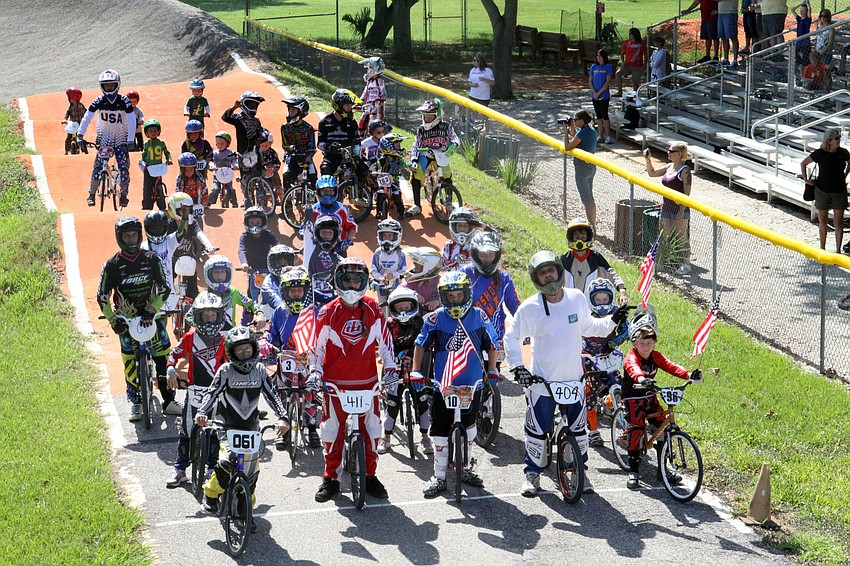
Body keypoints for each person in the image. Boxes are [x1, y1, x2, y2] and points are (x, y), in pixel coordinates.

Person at [504, 250, 628, 497]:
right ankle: (532, 474)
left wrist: (614, 320)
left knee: (579, 432)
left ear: (559, 272)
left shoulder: (576, 298)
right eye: (542, 273)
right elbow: (511, 337)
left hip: (574, 379)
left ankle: (580, 472)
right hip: (542, 382)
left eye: (551, 270)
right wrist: (518, 368)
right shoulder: (530, 308)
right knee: (537, 431)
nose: (548, 276)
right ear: (536, 278)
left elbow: (592, 328)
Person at [311, 258, 397, 503]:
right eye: (346, 279)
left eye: (356, 280)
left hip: (367, 382)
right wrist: (315, 373)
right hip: (334, 384)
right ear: (337, 281)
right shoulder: (328, 312)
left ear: (364, 282)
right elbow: (316, 350)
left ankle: (370, 476)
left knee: (372, 429)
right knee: (331, 431)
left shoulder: (373, 309)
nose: (351, 284)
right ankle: (330, 479)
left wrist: (390, 369)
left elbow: (386, 348)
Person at [411, 271, 498, 497]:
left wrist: (493, 368)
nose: (456, 300)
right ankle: (439, 476)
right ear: (443, 297)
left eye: (460, 295)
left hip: (472, 384)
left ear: (467, 294)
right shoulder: (435, 318)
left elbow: (492, 344)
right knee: (440, 428)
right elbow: (420, 345)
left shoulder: (479, 316)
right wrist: (415, 371)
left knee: (470, 428)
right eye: (451, 296)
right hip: (444, 384)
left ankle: (466, 467)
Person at [196, 326, 289, 515]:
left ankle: (245, 506)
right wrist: (202, 412)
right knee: (227, 463)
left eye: (248, 349)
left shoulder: (260, 370)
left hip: (251, 427)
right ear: (232, 352)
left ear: (254, 349)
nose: (244, 354)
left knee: (251, 471)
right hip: (226, 425)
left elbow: (272, 395)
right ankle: (211, 494)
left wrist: (283, 417)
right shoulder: (225, 371)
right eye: (240, 351)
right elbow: (211, 393)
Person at [97, 216, 176, 422]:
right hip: (127, 320)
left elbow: (165, 288)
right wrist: (113, 319)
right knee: (130, 362)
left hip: (153, 316)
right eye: (126, 235)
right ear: (119, 237)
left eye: (134, 235)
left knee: (162, 357)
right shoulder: (112, 265)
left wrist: (153, 309)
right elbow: (102, 296)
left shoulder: (151, 259)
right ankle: (135, 402)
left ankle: (169, 401)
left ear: (139, 235)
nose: (131, 239)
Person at [619, 306, 703, 489]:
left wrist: (689, 375)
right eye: (642, 343)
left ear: (654, 343)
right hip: (633, 398)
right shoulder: (631, 357)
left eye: (650, 343)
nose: (646, 347)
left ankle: (662, 470)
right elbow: (633, 368)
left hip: (650, 396)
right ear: (634, 342)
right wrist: (642, 378)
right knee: (636, 430)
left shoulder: (655, 356)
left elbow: (671, 366)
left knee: (663, 427)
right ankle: (633, 471)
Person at [164, 291, 226, 488]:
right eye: (205, 315)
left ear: (219, 316)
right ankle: (180, 468)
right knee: (186, 430)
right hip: (195, 390)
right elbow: (172, 356)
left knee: (216, 430)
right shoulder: (190, 337)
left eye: (213, 315)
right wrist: (171, 370)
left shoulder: (225, 339)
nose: (209, 319)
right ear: (197, 317)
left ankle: (211, 467)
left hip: (217, 392)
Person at [266, 267, 322, 448]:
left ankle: (312, 429)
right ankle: (284, 431)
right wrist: (267, 345)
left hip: (308, 359)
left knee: (311, 394)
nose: (297, 295)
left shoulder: (313, 311)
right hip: (286, 359)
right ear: (285, 293)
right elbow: (271, 335)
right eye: (292, 291)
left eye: (300, 291)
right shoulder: (279, 312)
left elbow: (322, 334)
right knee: (283, 394)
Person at [378, 286, 434, 455]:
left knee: (423, 400)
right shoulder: (388, 325)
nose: (403, 311)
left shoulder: (419, 322)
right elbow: (382, 345)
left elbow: (426, 343)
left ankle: (425, 437)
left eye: (406, 307)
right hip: (394, 367)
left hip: (416, 366)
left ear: (413, 306)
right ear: (393, 308)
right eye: (399, 308)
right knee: (392, 402)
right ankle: (386, 437)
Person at [460, 230, 520, 366]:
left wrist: (525, 328)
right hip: (468, 332)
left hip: (495, 336)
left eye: (491, 255)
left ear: (497, 255)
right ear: (475, 254)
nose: (487, 259)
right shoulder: (465, 273)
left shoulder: (504, 278)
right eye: (482, 255)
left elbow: (515, 307)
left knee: (492, 374)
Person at [78, 69, 136, 208]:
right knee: (98, 166)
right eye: (106, 86)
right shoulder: (99, 101)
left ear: (117, 85)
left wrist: (130, 139)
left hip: (121, 139)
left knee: (123, 168)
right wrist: (80, 135)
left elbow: (132, 119)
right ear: (102, 87)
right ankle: (91, 194)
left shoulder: (124, 101)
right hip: (104, 139)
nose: (109, 88)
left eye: (111, 85)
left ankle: (123, 195)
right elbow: (87, 117)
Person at [582, 278, 630, 447]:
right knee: (589, 393)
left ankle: (624, 424)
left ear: (611, 298)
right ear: (591, 299)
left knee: (621, 387)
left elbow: (627, 330)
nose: (602, 303)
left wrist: (614, 342)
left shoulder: (617, 312)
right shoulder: (585, 313)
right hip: (588, 358)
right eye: (598, 299)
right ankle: (593, 431)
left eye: (605, 299)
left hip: (609, 356)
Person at [643, 142, 694, 276]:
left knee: (681, 237)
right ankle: (663, 260)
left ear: (679, 154)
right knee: (664, 235)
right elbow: (652, 173)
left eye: (671, 151)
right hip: (666, 207)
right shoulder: (669, 166)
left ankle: (686, 263)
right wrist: (648, 160)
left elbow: (686, 194)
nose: (668, 153)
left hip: (679, 210)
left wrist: (682, 210)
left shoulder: (685, 171)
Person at [407, 99, 461, 217]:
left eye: (430, 117)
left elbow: (455, 138)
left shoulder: (446, 126)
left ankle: (449, 202)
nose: (427, 118)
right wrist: (414, 160)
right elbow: (416, 145)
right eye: (425, 116)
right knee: (416, 175)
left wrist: (453, 146)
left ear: (437, 116)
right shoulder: (421, 129)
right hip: (425, 154)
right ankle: (417, 205)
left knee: (447, 175)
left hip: (441, 154)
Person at [560, 218, 630, 303]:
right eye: (576, 237)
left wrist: (622, 290)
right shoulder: (565, 259)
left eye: (583, 237)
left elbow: (611, 274)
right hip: (570, 306)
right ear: (571, 237)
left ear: (588, 237)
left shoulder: (596, 258)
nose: (580, 240)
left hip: (591, 308)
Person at [801, 128, 848, 252]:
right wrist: (806, 180)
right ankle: (822, 248)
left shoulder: (843, 152)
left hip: (839, 190)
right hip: (822, 191)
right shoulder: (820, 153)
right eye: (836, 138)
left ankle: (838, 250)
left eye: (839, 138)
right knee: (823, 221)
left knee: (838, 222)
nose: (838, 140)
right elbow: (803, 163)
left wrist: (845, 175)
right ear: (829, 140)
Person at [167, 192, 214, 300]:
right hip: (172, 259)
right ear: (174, 210)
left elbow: (199, 234)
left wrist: (208, 245)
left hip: (188, 258)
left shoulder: (192, 223)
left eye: (188, 210)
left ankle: (192, 309)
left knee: (192, 289)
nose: (186, 213)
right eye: (183, 210)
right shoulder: (169, 225)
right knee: (166, 284)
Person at [222, 90, 265, 207]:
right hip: (243, 153)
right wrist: (234, 107)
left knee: (260, 175)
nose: (253, 107)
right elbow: (225, 117)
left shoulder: (256, 121)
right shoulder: (238, 118)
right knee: (245, 177)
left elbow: (261, 132)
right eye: (251, 104)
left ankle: (263, 198)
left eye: (255, 105)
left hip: (256, 152)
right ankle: (247, 197)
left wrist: (261, 138)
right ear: (244, 104)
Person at [318, 89, 368, 188]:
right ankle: (328, 195)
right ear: (338, 106)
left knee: (363, 170)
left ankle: (360, 193)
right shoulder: (324, 122)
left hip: (349, 155)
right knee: (325, 168)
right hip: (332, 155)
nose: (350, 108)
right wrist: (329, 146)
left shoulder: (352, 122)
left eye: (351, 105)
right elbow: (319, 144)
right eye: (347, 105)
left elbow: (357, 141)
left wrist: (357, 156)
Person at [196, 254, 259, 331]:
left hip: (230, 337)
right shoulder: (203, 296)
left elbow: (250, 303)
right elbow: (189, 316)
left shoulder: (233, 292)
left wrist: (260, 313)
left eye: (222, 272)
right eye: (215, 272)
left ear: (228, 273)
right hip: (208, 337)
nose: (219, 275)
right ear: (208, 274)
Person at [303, 175, 357, 257]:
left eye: (331, 191)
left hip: (338, 249)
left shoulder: (343, 209)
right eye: (324, 191)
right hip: (318, 250)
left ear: (336, 191)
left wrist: (348, 240)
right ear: (318, 191)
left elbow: (352, 227)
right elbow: (304, 229)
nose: (328, 195)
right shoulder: (313, 210)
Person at [564, 110, 599, 227]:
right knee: (590, 197)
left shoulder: (582, 133)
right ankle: (593, 223)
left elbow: (568, 147)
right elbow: (577, 139)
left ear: (582, 121)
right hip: (591, 167)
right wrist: (572, 129)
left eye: (575, 120)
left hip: (582, 169)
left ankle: (592, 226)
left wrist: (565, 132)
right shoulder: (591, 130)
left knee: (587, 199)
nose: (573, 122)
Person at [237, 207, 279, 303]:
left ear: (263, 222)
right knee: (251, 296)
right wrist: (244, 263)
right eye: (252, 223)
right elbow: (241, 250)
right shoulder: (244, 237)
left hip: (269, 268)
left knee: (275, 290)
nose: (255, 225)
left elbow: (277, 245)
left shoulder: (268, 234)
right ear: (247, 223)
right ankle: (250, 314)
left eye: (258, 223)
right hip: (253, 270)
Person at [304, 215, 343, 308]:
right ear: (317, 233)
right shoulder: (311, 247)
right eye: (324, 232)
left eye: (330, 233)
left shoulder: (338, 259)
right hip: (308, 294)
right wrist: (308, 208)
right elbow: (308, 225)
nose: (327, 236)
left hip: (328, 297)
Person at [280, 97, 317, 191]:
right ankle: (287, 202)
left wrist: (308, 158)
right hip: (291, 155)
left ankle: (314, 199)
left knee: (313, 177)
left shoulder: (308, 128)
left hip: (306, 157)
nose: (290, 112)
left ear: (301, 111)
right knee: (286, 175)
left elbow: (313, 148)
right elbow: (284, 145)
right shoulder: (285, 127)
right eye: (290, 109)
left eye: (294, 109)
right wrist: (290, 148)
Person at [141, 210, 178, 301]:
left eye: (160, 228)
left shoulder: (169, 241)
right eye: (154, 229)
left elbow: (182, 232)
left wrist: (184, 219)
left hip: (168, 292)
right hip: (148, 294)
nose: (157, 231)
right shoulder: (142, 247)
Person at [370, 219, 407, 309]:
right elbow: (373, 270)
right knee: (382, 309)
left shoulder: (400, 253)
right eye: (384, 236)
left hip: (396, 285)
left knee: (395, 306)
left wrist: (393, 275)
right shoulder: (378, 253)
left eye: (390, 236)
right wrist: (381, 278)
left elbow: (403, 270)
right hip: (382, 286)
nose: (387, 239)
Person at [257, 244, 299, 317]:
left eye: (285, 263)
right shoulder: (268, 282)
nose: (283, 266)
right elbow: (276, 301)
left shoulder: (296, 278)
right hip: (271, 322)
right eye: (279, 263)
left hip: (292, 317)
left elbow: (310, 292)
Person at [139, 119, 172, 211]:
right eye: (150, 131)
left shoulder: (161, 143)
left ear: (158, 132)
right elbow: (143, 155)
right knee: (147, 186)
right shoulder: (146, 144)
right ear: (147, 133)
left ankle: (161, 203)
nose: (153, 133)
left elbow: (166, 152)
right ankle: (146, 205)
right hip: (149, 168)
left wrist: (169, 159)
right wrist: (143, 162)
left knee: (158, 182)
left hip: (158, 168)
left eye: (155, 131)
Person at [374, 133, 408, 220]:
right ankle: (378, 211)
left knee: (397, 194)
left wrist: (410, 166)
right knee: (379, 194)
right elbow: (377, 166)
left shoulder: (399, 159)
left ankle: (401, 213)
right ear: (389, 147)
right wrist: (375, 172)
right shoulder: (382, 159)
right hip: (384, 181)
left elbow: (405, 164)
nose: (399, 147)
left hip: (394, 180)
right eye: (397, 145)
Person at [402, 246, 443, 313]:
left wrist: (439, 302)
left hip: (437, 319)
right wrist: (413, 294)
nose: (415, 267)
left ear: (429, 266)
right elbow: (400, 289)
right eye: (414, 263)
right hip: (416, 319)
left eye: (418, 264)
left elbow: (452, 298)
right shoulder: (413, 280)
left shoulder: (442, 282)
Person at [174, 152, 208, 228]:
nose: (188, 172)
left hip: (196, 204)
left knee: (198, 225)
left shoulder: (199, 177)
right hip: (184, 206)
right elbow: (177, 190)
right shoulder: (180, 178)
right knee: (183, 226)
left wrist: (204, 200)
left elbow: (204, 189)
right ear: (181, 169)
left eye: (191, 169)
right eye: (186, 170)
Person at [588, 50, 614, 144]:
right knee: (598, 115)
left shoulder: (608, 66)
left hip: (604, 95)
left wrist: (599, 92)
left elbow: (607, 82)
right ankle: (600, 135)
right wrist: (594, 92)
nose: (598, 58)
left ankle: (608, 135)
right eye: (597, 56)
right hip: (595, 95)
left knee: (604, 115)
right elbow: (590, 80)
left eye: (600, 56)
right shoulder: (593, 66)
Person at [208, 131, 238, 207]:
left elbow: (234, 160)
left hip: (227, 175)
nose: (220, 145)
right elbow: (212, 162)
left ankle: (234, 202)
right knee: (215, 189)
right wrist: (212, 166)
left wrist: (235, 165)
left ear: (227, 144)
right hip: (217, 175)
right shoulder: (215, 153)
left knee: (230, 188)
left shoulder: (230, 153)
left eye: (222, 144)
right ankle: (209, 202)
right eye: (218, 144)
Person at [359, 57, 387, 135]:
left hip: (377, 108)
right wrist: (359, 101)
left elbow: (383, 94)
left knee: (374, 125)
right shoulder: (369, 82)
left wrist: (379, 100)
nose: (367, 71)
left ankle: (376, 138)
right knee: (362, 122)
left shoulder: (379, 81)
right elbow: (365, 93)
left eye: (368, 69)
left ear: (373, 69)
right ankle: (361, 138)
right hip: (368, 106)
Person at [616, 28, 647, 97]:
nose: (629, 35)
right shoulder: (626, 43)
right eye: (629, 33)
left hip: (637, 66)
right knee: (618, 73)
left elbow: (645, 54)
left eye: (631, 33)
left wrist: (645, 64)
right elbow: (622, 54)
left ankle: (635, 96)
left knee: (635, 83)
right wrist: (623, 62)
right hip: (627, 65)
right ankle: (619, 92)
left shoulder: (642, 44)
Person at [257, 128, 282, 200]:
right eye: (262, 145)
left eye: (266, 145)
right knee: (265, 188)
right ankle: (270, 199)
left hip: (273, 173)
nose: (264, 147)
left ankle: (282, 200)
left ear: (270, 144)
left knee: (278, 186)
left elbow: (277, 162)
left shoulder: (272, 152)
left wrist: (274, 168)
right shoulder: (258, 153)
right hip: (263, 174)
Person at [62, 88, 86, 155]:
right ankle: (66, 150)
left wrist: (86, 119)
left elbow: (86, 112)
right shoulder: (71, 106)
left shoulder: (81, 106)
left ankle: (84, 150)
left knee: (80, 137)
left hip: (79, 124)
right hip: (72, 124)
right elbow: (67, 113)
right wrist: (65, 119)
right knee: (68, 137)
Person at [717, 0, 740, 68]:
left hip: (730, 12)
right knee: (723, 37)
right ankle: (726, 59)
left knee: (733, 37)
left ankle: (735, 60)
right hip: (721, 13)